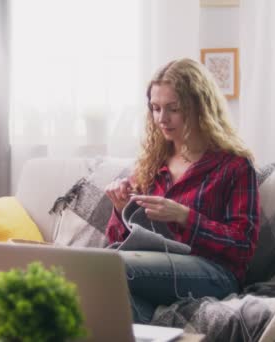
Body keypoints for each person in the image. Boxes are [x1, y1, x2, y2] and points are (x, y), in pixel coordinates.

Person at [104, 58, 260, 324]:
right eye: (155, 108)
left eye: (173, 109)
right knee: (112, 295)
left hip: (216, 273)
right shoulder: (152, 163)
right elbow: (114, 241)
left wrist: (185, 216)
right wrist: (121, 211)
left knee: (109, 268)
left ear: (199, 108)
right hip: (152, 268)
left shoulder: (234, 166)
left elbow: (243, 246)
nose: (161, 119)